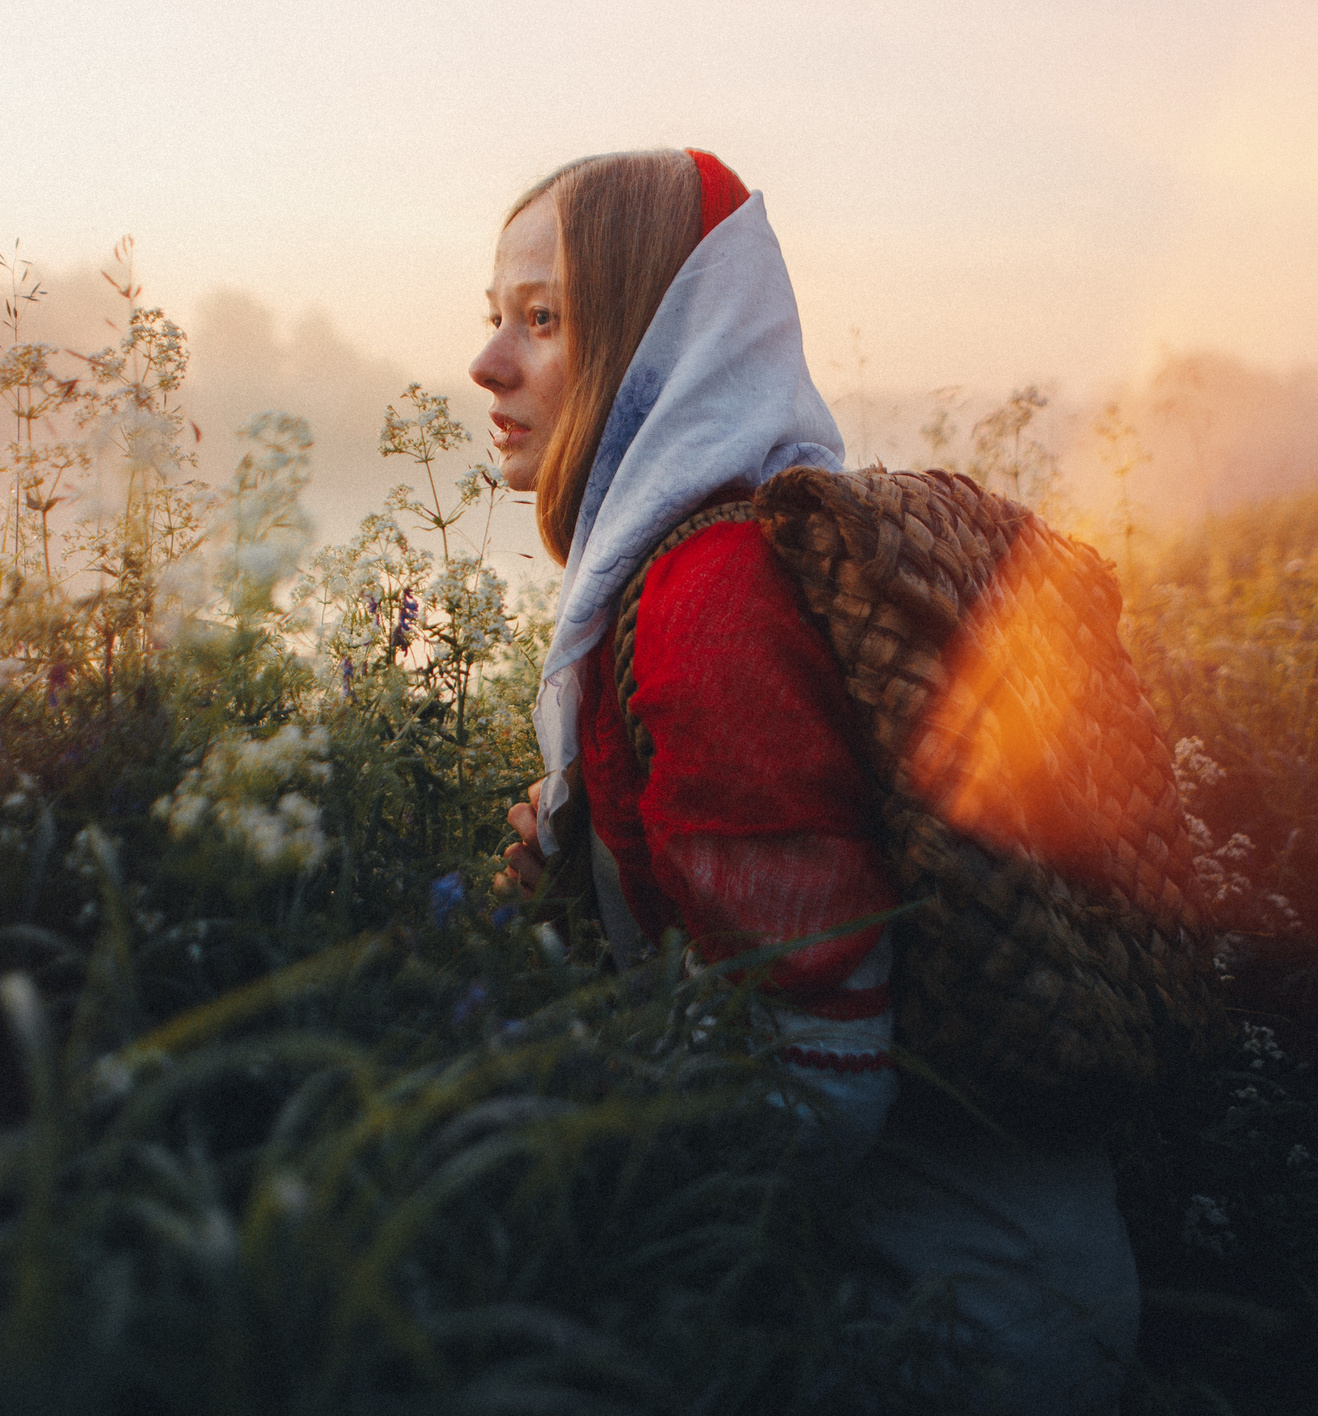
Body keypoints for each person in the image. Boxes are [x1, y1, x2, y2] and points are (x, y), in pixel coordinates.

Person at [476, 149, 1139, 1413]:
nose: (490, 363)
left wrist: (542, 1160)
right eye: (493, 317)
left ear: (657, 335)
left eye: (546, 319)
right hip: (977, 1286)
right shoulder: (722, 546)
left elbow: (811, 1087)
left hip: (943, 1326)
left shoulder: (709, 600)